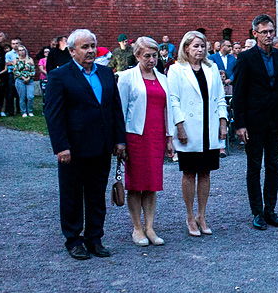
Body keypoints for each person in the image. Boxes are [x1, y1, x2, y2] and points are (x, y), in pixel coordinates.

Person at [43, 29, 127, 260]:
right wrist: (61, 146)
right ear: (71, 51)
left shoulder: (106, 73)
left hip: (102, 146)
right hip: (74, 147)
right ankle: (73, 240)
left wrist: (119, 140)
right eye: (84, 47)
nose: (90, 51)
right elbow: (54, 114)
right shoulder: (60, 76)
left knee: (96, 194)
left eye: (93, 46)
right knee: (71, 195)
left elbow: (114, 109)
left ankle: (94, 238)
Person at [232, 15, 278, 230]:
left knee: (273, 167)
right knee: (254, 167)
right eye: (265, 32)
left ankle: (270, 210)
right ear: (255, 34)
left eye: (271, 31)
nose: (269, 35)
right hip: (254, 122)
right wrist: (240, 124)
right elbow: (239, 94)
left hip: (276, 120)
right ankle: (257, 211)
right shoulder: (246, 58)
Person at [167, 31, 227, 237]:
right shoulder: (176, 70)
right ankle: (190, 216)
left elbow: (220, 98)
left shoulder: (212, 69)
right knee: (189, 172)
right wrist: (179, 126)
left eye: (202, 46)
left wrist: (223, 122)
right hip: (189, 128)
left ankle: (202, 215)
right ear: (186, 48)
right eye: (195, 46)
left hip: (209, 126)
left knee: (206, 172)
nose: (200, 50)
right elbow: (173, 100)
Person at [118, 37, 173, 246]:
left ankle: (150, 227)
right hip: (135, 136)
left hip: (156, 135)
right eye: (147, 56)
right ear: (137, 56)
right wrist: (120, 141)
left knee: (152, 184)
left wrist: (169, 137)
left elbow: (168, 109)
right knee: (136, 184)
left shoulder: (162, 77)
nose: (151, 60)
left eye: (154, 55)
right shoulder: (126, 78)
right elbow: (121, 110)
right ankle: (137, 228)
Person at [12, 45, 36, 117]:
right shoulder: (16, 60)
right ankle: (24, 112)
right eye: (20, 50)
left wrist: (28, 77)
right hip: (20, 80)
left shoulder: (30, 59)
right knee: (22, 97)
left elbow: (33, 70)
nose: (21, 52)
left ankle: (30, 111)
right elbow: (15, 71)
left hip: (30, 80)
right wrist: (23, 78)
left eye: (23, 50)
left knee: (30, 96)